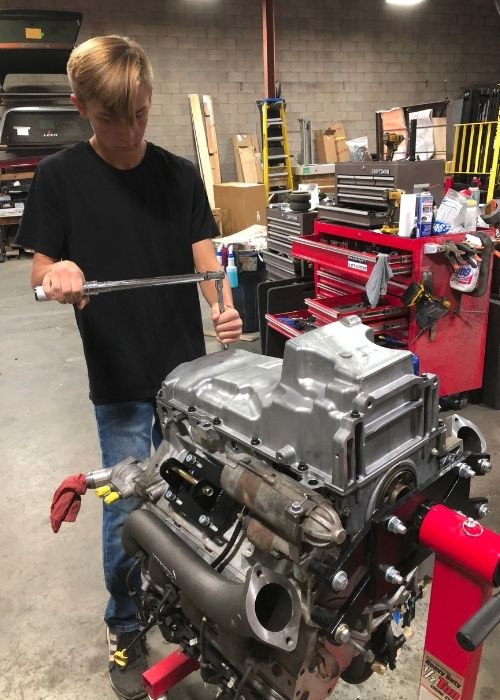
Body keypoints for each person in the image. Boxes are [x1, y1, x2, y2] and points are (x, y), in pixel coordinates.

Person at [16, 35, 242, 700]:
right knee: (126, 512)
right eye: (113, 118)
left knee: (201, 499)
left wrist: (223, 304)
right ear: (80, 106)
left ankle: (198, 609)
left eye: (140, 114)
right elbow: (39, 268)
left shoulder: (179, 175)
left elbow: (205, 257)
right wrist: (58, 272)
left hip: (187, 379)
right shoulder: (60, 178)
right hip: (117, 379)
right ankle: (125, 626)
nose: (129, 131)